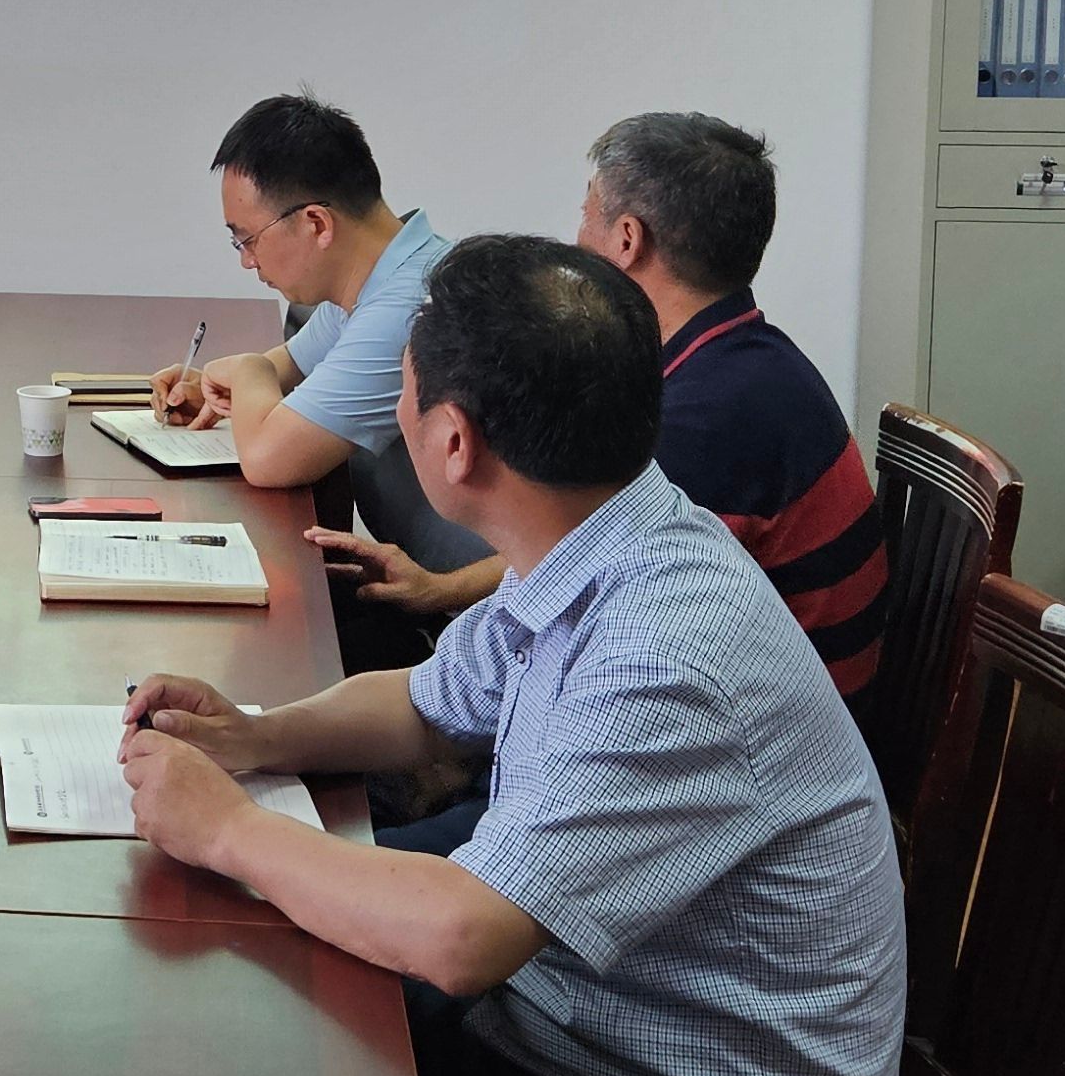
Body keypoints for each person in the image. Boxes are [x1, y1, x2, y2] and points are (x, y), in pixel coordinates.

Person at [119, 237, 904, 1076]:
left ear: (453, 442)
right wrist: (255, 735)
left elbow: (464, 936)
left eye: (404, 388)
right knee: (245, 1064)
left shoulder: (665, 652)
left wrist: (230, 829)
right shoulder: (601, 530)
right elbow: (425, 702)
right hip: (570, 1044)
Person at [305, 114, 890, 697]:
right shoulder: (745, 357)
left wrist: (440, 593)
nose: (576, 240)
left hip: (750, 718)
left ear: (628, 239)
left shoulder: (703, 417)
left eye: (587, 214)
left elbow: (582, 571)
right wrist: (437, 592)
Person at [147, 95, 478, 607]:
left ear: (317, 224)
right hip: (426, 580)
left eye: (248, 240)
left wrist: (246, 371)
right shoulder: (383, 274)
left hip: (476, 609)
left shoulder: (410, 305)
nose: (247, 261)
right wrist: (218, 388)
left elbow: (268, 458)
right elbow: (288, 368)